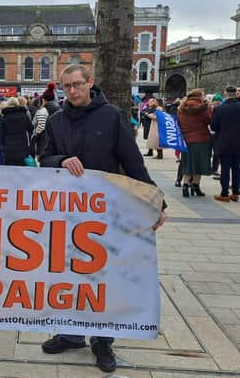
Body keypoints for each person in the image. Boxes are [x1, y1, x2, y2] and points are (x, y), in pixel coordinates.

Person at [39, 64, 167, 373]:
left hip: (105, 212)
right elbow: (44, 158)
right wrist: (60, 160)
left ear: (90, 83)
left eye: (77, 84)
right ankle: (71, 333)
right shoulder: (56, 120)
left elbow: (132, 161)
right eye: (66, 86)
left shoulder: (111, 117)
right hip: (69, 211)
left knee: (102, 275)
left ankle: (102, 339)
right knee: (71, 273)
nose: (72, 91)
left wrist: (156, 203)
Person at [211, 86, 240, 202]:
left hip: (224, 141)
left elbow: (214, 126)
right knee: (236, 167)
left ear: (225, 94)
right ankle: (236, 192)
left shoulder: (219, 109)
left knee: (225, 168)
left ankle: (224, 193)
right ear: (235, 94)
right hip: (239, 141)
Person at [177, 89, 213, 197]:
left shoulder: (182, 107)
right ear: (199, 96)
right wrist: (210, 109)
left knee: (188, 164)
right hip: (201, 139)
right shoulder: (202, 108)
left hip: (186, 140)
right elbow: (209, 120)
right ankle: (196, 186)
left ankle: (185, 186)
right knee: (199, 165)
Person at [0, 97, 33, 166]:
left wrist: (3, 145)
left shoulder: (5, 117)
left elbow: (2, 133)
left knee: (9, 168)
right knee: (22, 168)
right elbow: (31, 128)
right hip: (22, 145)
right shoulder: (24, 115)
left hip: (9, 145)